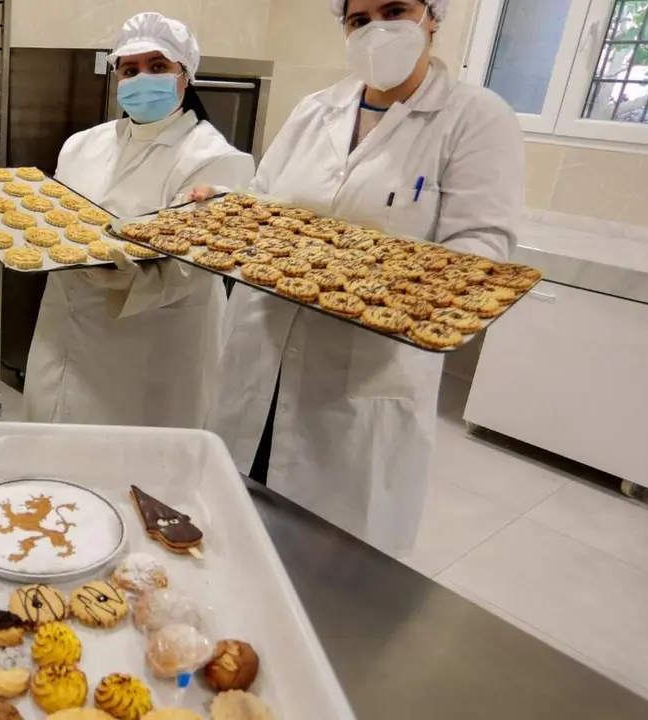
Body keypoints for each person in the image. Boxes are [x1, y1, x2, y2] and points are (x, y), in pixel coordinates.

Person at [204, 0, 524, 557]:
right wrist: (220, 208)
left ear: (432, 16)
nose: (376, 30)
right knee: (236, 522)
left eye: (394, 9)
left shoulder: (475, 116)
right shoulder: (314, 110)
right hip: (261, 346)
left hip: (363, 373)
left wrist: (381, 279)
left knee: (328, 555)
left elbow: (483, 248)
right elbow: (263, 201)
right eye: (359, 19)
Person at [23, 12, 255, 428]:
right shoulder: (82, 145)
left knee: (132, 468)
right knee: (54, 448)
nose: (142, 78)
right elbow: (54, 216)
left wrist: (127, 279)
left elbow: (199, 264)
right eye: (130, 69)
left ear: (185, 76)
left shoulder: (213, 159)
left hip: (149, 342)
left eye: (158, 67)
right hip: (64, 323)